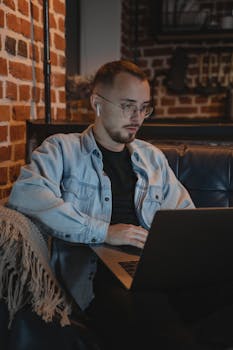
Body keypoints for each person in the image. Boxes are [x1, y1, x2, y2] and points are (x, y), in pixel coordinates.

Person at [8, 60, 220, 349]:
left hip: (154, 270)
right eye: (128, 105)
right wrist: (103, 231)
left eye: (144, 107)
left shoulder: (152, 158)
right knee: (161, 328)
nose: (137, 117)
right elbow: (26, 196)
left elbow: (187, 219)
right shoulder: (62, 149)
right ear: (97, 103)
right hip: (97, 278)